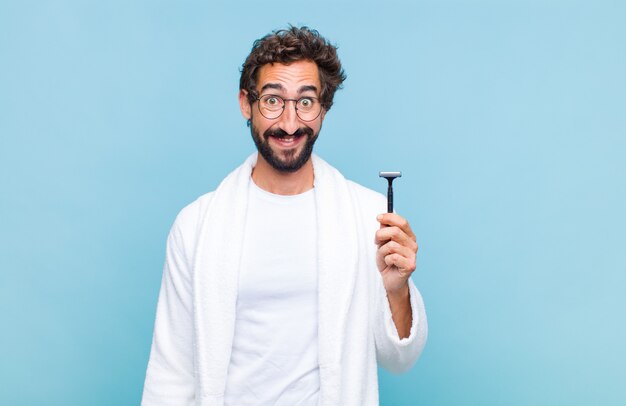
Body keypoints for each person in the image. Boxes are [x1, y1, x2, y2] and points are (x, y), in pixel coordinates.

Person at [142, 26, 427, 406]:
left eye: (306, 102)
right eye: (273, 101)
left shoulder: (367, 217)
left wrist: (397, 290)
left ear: (323, 107)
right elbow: (170, 372)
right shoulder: (196, 225)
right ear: (246, 103)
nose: (290, 124)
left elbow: (400, 359)